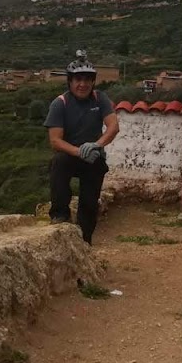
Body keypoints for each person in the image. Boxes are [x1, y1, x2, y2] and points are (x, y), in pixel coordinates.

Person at [43, 50, 119, 244]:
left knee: (90, 202)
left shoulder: (100, 99)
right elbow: (55, 140)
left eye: (87, 80)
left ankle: (85, 241)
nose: (82, 84)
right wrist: (78, 151)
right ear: (70, 81)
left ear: (93, 82)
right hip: (70, 154)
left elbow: (113, 126)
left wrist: (97, 145)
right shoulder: (60, 104)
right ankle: (59, 214)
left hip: (93, 155)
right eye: (78, 79)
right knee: (58, 163)